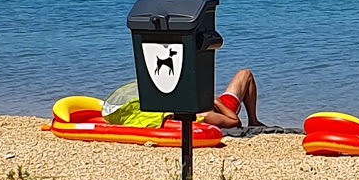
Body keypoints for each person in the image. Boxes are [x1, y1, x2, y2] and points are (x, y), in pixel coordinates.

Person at [102, 68, 265, 130]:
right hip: (221, 108)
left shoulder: (169, 106)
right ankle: (254, 121)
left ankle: (254, 120)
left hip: (210, 104)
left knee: (244, 74)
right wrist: (214, 101)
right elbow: (235, 122)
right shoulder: (205, 115)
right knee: (246, 75)